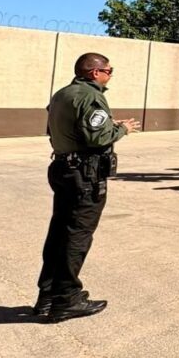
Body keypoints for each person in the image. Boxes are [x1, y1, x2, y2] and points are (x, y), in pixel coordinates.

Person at [35, 53, 140, 322]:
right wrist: (122, 130)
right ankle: (67, 299)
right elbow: (97, 139)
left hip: (63, 167)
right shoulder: (92, 96)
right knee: (77, 236)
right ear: (95, 72)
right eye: (109, 71)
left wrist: (109, 125)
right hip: (84, 174)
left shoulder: (62, 94)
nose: (110, 75)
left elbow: (63, 129)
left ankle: (48, 295)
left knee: (60, 232)